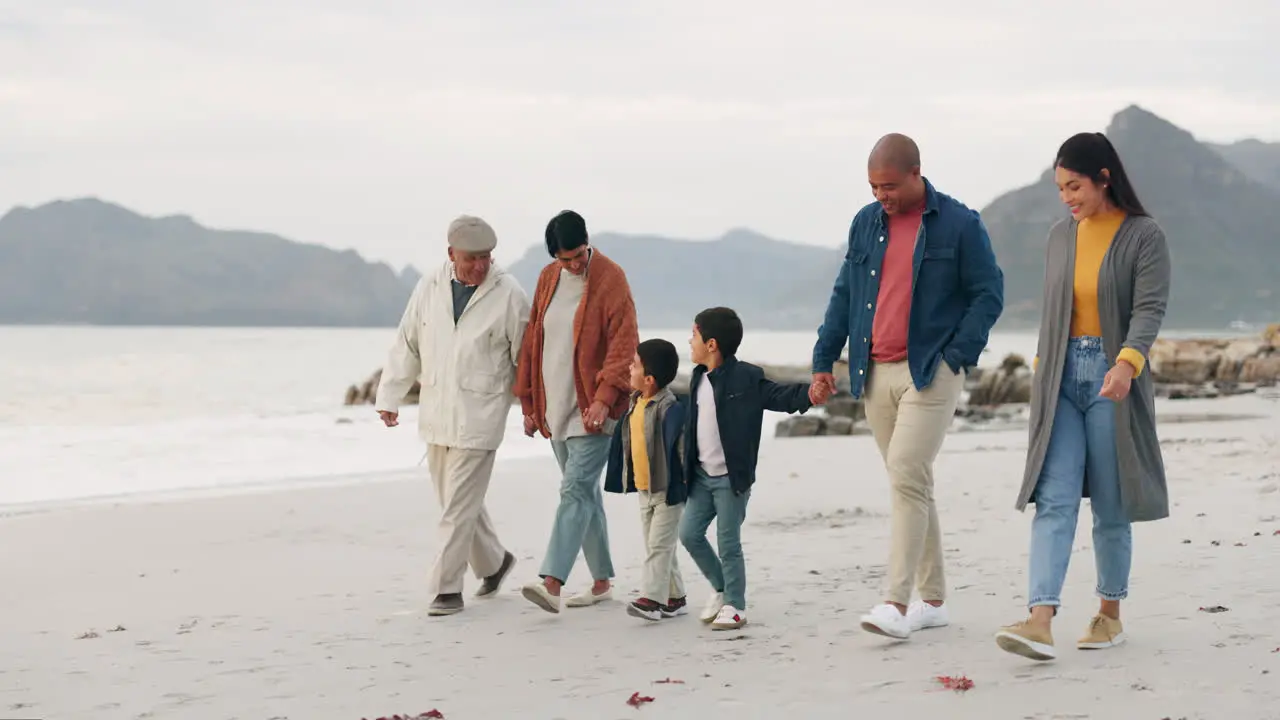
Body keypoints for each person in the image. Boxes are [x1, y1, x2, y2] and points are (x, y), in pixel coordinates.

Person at [811, 133, 1005, 640]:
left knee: (905, 471)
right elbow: (843, 295)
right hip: (874, 371)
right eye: (874, 186)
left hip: (930, 371)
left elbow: (988, 294)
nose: (882, 195)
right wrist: (822, 358)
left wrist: (956, 356)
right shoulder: (865, 223)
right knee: (911, 482)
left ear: (917, 173)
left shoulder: (960, 224)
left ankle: (895, 602)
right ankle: (934, 598)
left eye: (890, 185)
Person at [995, 132, 1172, 662]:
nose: (1067, 197)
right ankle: (1040, 619)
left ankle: (1108, 614)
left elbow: (1149, 309)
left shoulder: (1144, 236)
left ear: (1103, 177)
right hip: (1059, 377)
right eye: (1060, 189)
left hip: (1111, 377)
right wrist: (1043, 369)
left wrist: (1126, 363)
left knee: (1112, 506)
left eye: (1074, 186)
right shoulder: (1060, 236)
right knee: (1055, 496)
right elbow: (1055, 313)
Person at [374, 215, 530, 616]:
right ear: (451, 254)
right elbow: (408, 340)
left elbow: (527, 359)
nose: (480, 266)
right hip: (437, 413)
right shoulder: (430, 285)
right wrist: (389, 394)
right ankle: (494, 563)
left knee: (456, 508)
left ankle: (446, 589)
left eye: (486, 258)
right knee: (456, 502)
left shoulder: (509, 293)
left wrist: (533, 408)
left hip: (482, 415)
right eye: (471, 259)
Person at [516, 210, 640, 614]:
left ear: (588, 243)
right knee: (583, 493)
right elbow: (534, 340)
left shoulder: (611, 278)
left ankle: (551, 581)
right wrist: (530, 404)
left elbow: (624, 345)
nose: (572, 265)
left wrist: (605, 397)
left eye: (577, 256)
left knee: (573, 490)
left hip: (594, 410)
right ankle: (602, 582)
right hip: (556, 409)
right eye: (564, 259)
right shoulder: (548, 278)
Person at [680, 307, 818, 630]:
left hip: (731, 479)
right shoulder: (698, 378)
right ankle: (722, 588)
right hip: (701, 476)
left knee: (728, 543)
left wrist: (809, 393)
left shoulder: (746, 377)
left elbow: (779, 395)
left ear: (711, 344)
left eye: (694, 335)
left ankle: (736, 606)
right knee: (688, 534)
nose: (689, 340)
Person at [603, 338, 690, 622]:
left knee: (658, 547)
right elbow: (626, 436)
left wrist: (687, 485)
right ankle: (675, 598)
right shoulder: (635, 403)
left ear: (649, 379)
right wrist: (601, 424)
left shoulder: (669, 409)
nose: (630, 368)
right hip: (644, 489)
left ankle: (652, 599)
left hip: (668, 492)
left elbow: (681, 450)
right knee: (659, 546)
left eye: (635, 365)